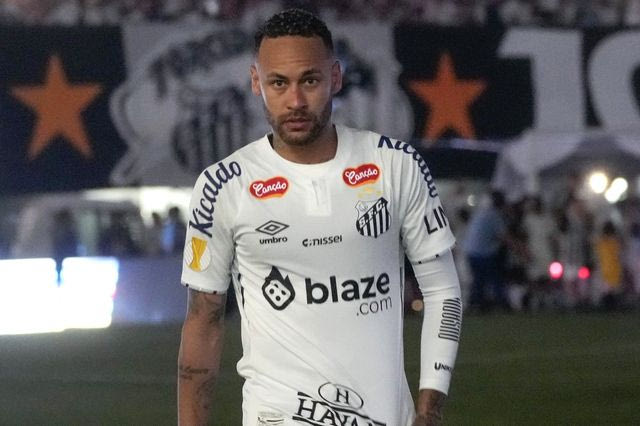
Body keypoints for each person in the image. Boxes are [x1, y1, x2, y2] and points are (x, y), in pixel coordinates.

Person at [177, 9, 462, 426]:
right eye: (278, 83)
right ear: (256, 82)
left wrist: (429, 412)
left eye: (309, 81)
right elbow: (203, 321)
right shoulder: (223, 185)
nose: (295, 101)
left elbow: (443, 292)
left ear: (335, 77)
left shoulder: (395, 164)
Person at [462, 190, 509, 312]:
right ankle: (500, 303)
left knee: (478, 279)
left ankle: (476, 303)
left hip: (471, 251)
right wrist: (522, 250)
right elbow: (503, 237)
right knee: (495, 278)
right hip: (483, 252)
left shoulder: (481, 212)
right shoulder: (495, 215)